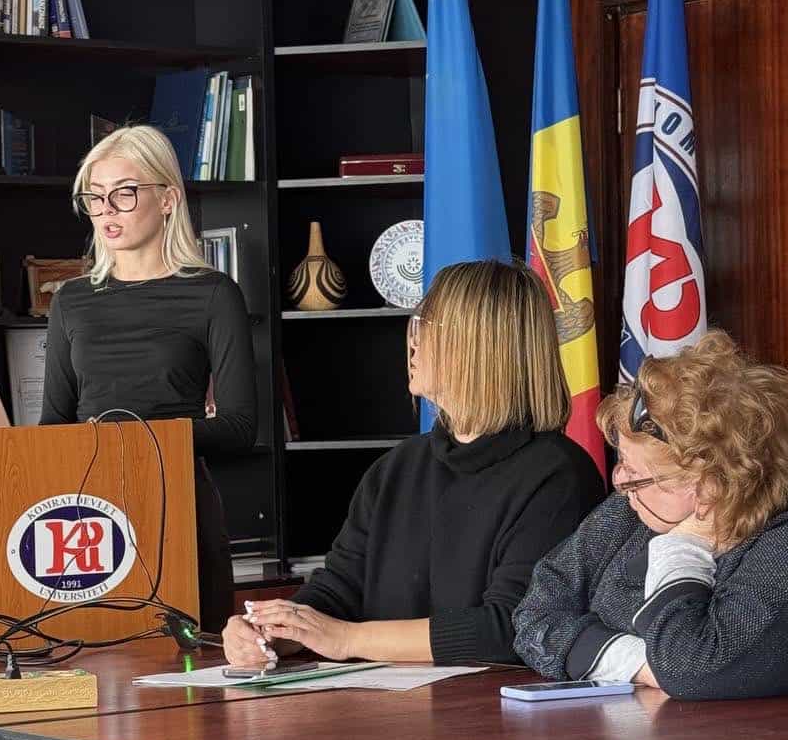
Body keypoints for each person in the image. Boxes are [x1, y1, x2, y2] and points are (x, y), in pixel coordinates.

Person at [223, 259, 605, 669]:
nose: (412, 343)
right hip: (383, 702)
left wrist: (348, 638)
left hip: (492, 705)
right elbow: (340, 588)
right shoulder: (397, 468)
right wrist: (276, 631)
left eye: (425, 327)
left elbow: (512, 630)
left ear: (477, 347)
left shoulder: (559, 477)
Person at [512, 330, 788, 702]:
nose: (620, 482)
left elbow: (692, 670)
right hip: (682, 736)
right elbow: (534, 615)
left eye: (635, 473)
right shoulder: (639, 506)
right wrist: (639, 662)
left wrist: (682, 549)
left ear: (711, 482)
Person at [40, 123, 256, 631]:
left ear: (167, 199)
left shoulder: (214, 294)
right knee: (99, 653)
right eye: (95, 197)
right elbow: (53, 424)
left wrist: (136, 439)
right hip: (87, 509)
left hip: (178, 500)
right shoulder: (71, 301)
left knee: (192, 655)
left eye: (124, 193)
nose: (107, 211)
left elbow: (240, 427)